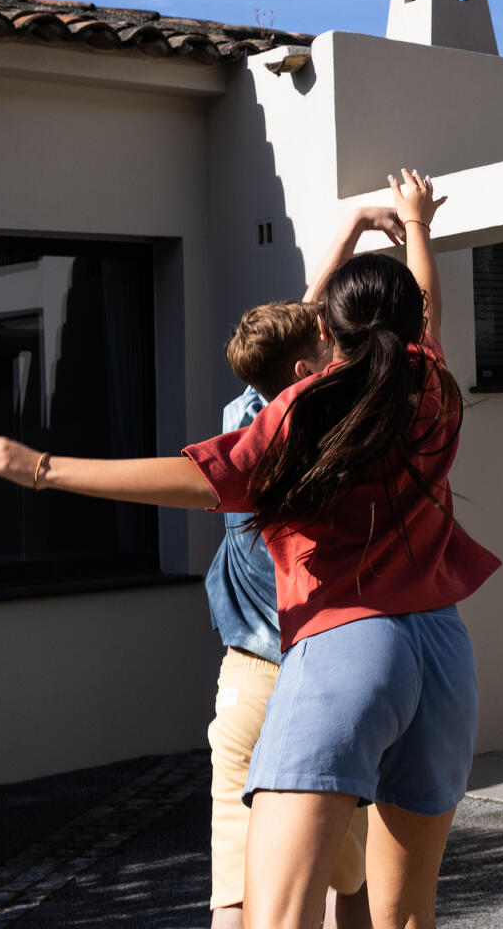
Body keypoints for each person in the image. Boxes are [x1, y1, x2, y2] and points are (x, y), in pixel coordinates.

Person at [0, 170, 501, 929]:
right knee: (405, 919)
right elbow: (422, 305)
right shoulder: (432, 382)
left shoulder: (303, 410)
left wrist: (43, 469)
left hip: (346, 646)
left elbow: (200, 479)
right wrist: (418, 228)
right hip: (444, 654)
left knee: (274, 919)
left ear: (325, 335)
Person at [206, 203, 404, 929]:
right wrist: (406, 238)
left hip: (243, 682)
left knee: (238, 884)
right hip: (317, 675)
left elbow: (301, 324)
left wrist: (349, 230)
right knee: (343, 881)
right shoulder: (335, 434)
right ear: (304, 370)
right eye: (322, 344)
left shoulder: (237, 427)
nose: (331, 338)